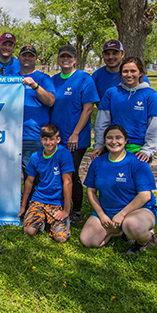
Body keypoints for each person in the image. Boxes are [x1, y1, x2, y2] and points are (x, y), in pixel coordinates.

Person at [81, 125, 156, 254]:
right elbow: (90, 191)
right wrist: (101, 214)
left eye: (118, 138)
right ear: (104, 141)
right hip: (108, 211)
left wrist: (121, 215)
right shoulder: (97, 163)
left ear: (126, 140)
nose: (114, 141)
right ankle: (118, 231)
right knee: (88, 240)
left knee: (133, 225)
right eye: (109, 138)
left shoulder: (138, 162)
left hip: (138, 210)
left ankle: (145, 241)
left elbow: (145, 196)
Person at [51, 44, 99, 224]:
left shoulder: (84, 79)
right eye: (62, 56)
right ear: (58, 58)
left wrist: (75, 133)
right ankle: (59, 206)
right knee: (57, 173)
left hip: (75, 139)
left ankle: (76, 211)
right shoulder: (54, 79)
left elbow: (88, 109)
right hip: (57, 138)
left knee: (70, 174)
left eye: (69, 57)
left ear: (75, 59)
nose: (65, 59)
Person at [93, 57, 157, 163]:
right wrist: (99, 145)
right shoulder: (111, 93)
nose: (129, 74)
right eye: (125, 71)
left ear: (140, 73)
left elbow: (154, 126)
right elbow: (102, 123)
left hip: (139, 151)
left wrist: (148, 150)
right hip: (114, 147)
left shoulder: (151, 95)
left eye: (133, 71)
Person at [18, 124, 74, 243]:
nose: (48, 142)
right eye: (45, 139)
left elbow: (68, 182)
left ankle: (60, 220)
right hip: (39, 199)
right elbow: (29, 181)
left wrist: (66, 210)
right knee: (29, 231)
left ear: (58, 140)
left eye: (52, 139)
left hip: (57, 201)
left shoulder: (64, 154)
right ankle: (41, 218)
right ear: (41, 139)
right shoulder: (35, 156)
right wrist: (23, 206)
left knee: (60, 238)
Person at [18, 45, 55, 175]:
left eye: (31, 56)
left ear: (36, 59)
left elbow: (50, 101)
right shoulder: (11, 79)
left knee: (35, 176)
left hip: (34, 136)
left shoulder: (44, 78)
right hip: (12, 136)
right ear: (19, 58)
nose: (27, 58)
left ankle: (33, 196)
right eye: (24, 55)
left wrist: (35, 86)